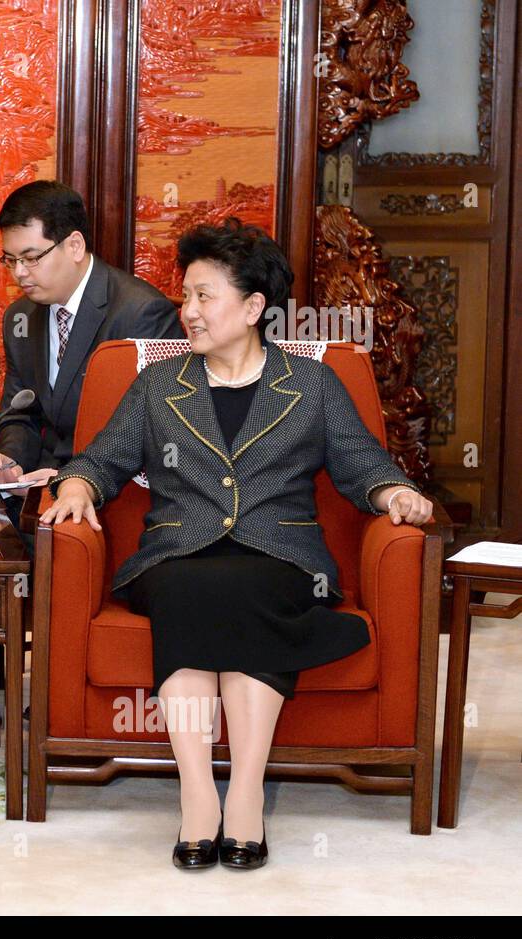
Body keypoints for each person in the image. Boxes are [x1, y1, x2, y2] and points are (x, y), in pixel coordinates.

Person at [40, 218, 434, 870]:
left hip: (281, 554)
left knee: (244, 585)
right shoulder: (158, 384)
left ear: (253, 307)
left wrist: (392, 493)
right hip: (176, 552)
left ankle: (244, 791)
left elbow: (362, 462)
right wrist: (78, 484)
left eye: (205, 296)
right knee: (196, 584)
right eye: (185, 296)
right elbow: (102, 459)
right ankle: (200, 794)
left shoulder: (310, 384)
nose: (187, 311)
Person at [0, 179, 182, 681]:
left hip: (107, 487)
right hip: (37, 480)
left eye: (31, 257)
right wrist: (8, 456)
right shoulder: (21, 318)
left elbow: (149, 431)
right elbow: (21, 411)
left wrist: (67, 474)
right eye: (10, 260)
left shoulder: (140, 312)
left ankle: (47, 665)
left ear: (73, 245)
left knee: (41, 521)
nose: (20, 274)